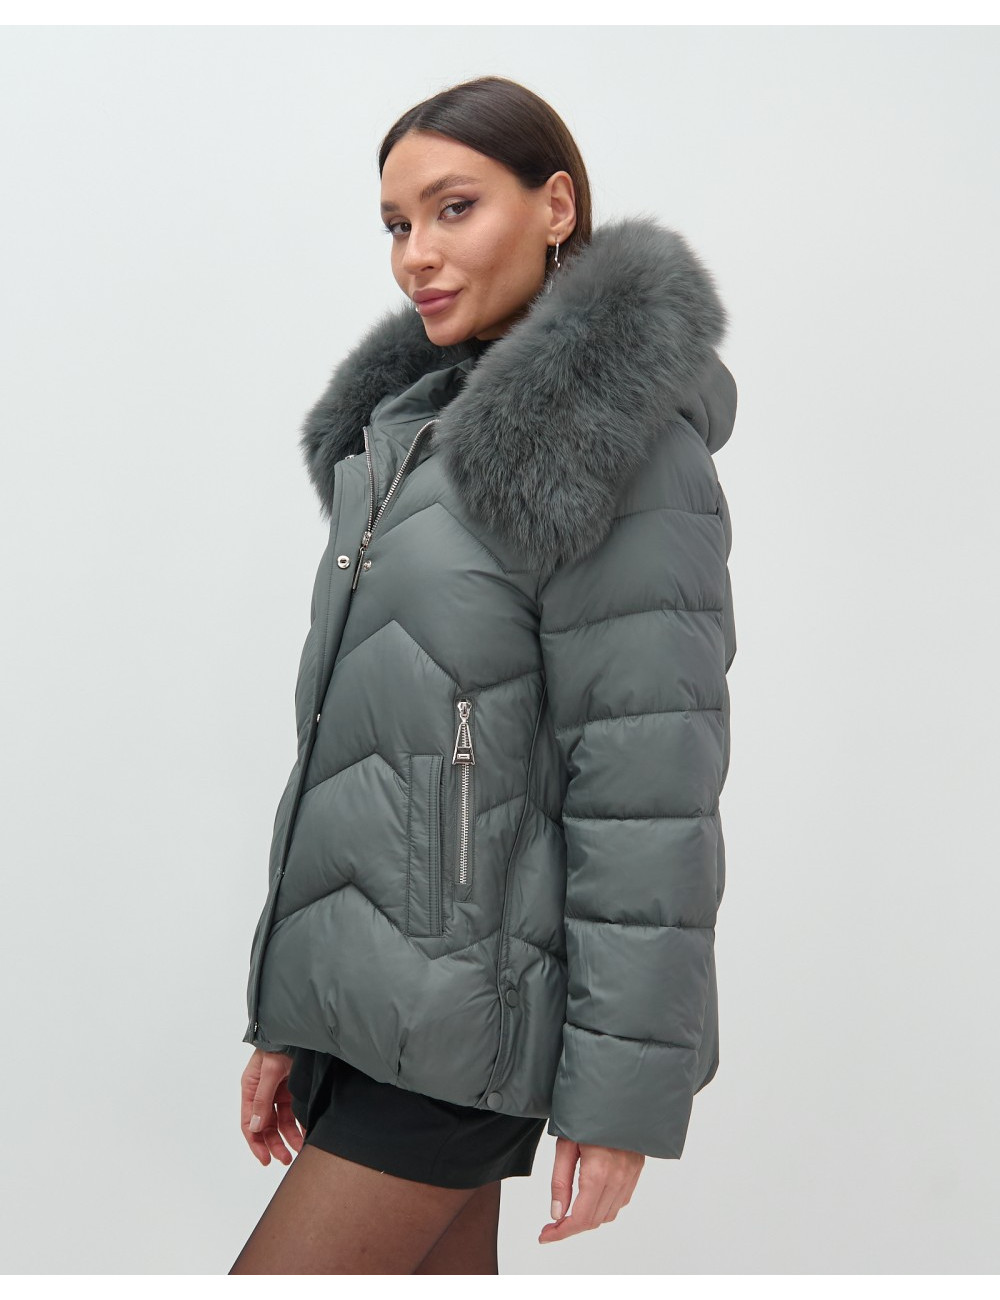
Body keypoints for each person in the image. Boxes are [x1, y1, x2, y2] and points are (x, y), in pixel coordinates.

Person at [230, 74, 738, 1275]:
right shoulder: (412, 435)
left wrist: (621, 1092)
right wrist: (296, 1022)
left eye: (454, 208)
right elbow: (369, 756)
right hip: (386, 1013)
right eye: (397, 223)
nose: (416, 252)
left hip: (472, 1018)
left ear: (555, 205)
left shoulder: (610, 443)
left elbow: (649, 785)